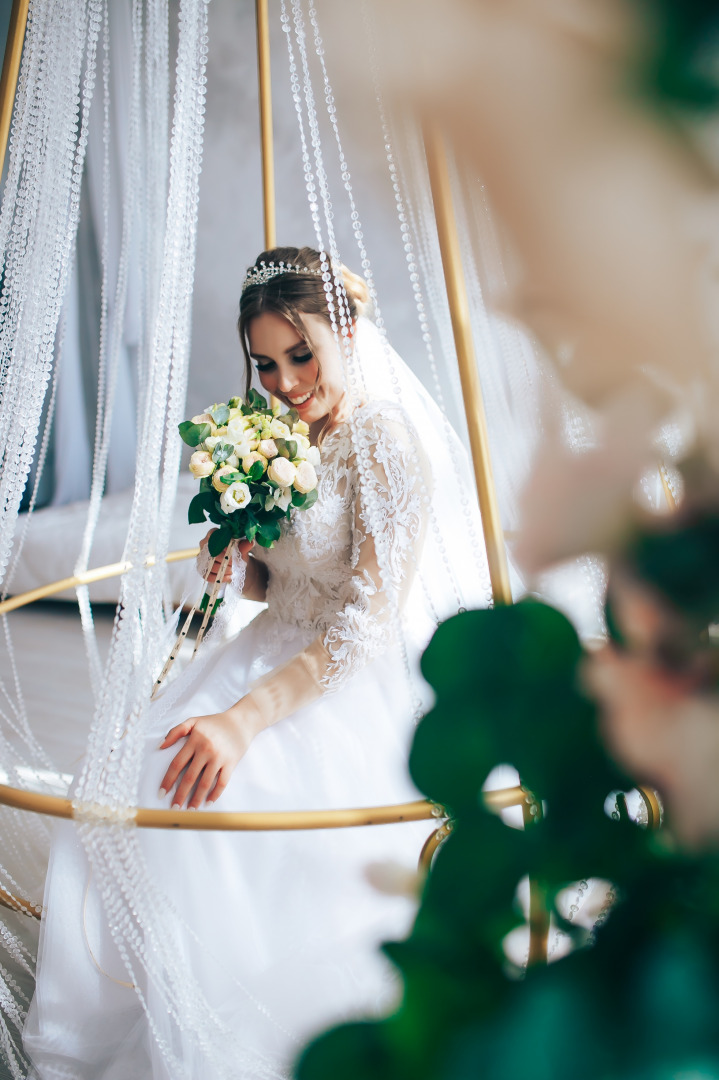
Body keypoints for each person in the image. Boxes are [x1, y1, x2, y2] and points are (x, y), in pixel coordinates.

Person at [24, 246, 489, 1080]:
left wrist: (244, 721)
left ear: (348, 332)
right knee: (126, 782)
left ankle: (238, 1034)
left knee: (212, 812)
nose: (284, 381)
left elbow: (362, 624)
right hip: (264, 644)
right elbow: (280, 577)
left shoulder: (386, 445)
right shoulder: (282, 429)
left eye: (301, 355)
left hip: (343, 678)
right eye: (266, 363)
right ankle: (137, 1005)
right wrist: (235, 553)